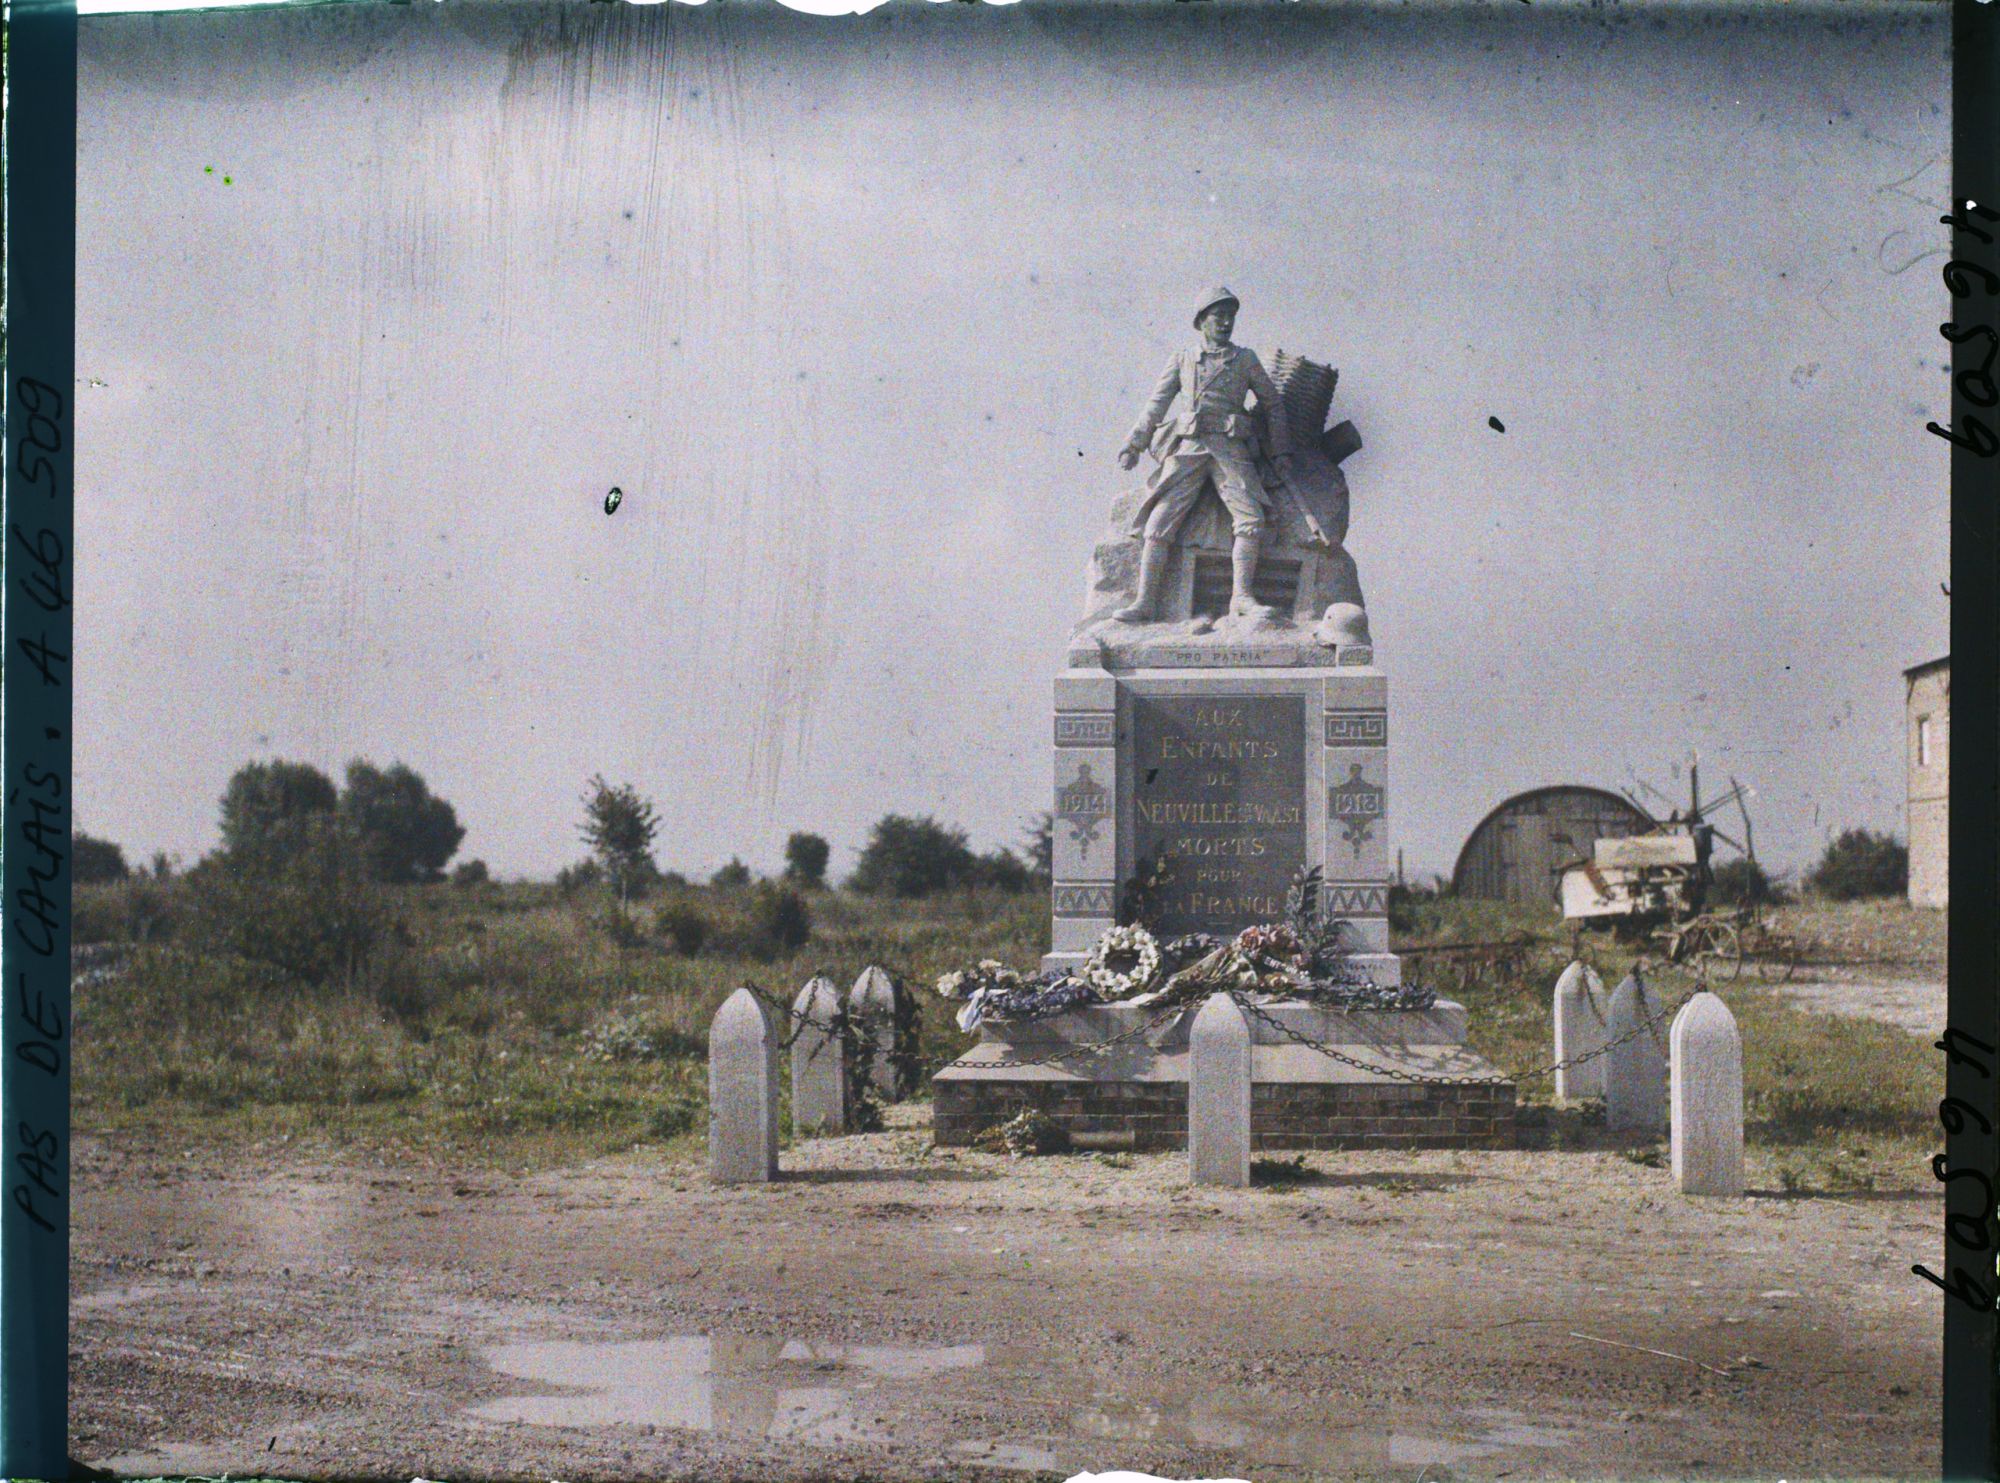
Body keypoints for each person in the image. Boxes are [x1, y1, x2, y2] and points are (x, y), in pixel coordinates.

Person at [1114, 287, 1294, 622]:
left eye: (1231, 316)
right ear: (1201, 321)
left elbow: (1273, 404)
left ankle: (1241, 598)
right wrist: (1134, 443)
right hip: (1190, 449)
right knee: (1158, 522)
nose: (1226, 322)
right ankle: (1145, 602)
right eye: (1218, 316)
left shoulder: (1245, 359)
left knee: (1251, 519)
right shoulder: (1183, 359)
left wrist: (1282, 450)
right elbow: (1157, 403)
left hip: (1230, 450)